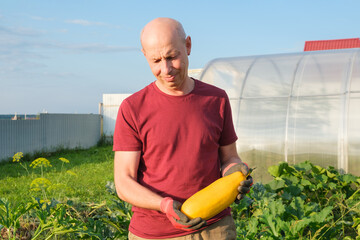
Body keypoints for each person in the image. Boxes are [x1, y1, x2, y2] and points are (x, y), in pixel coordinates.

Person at [113, 17, 253, 240]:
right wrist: (164, 204)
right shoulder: (132, 108)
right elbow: (124, 182)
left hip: (214, 228)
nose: (165, 69)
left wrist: (235, 173)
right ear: (144, 55)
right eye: (156, 60)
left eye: (172, 57)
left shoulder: (216, 99)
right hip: (153, 233)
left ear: (187, 46)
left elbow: (229, 158)